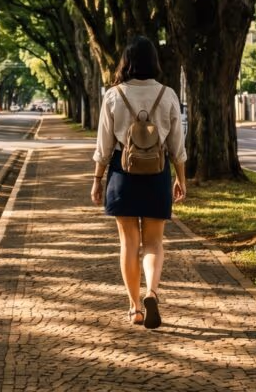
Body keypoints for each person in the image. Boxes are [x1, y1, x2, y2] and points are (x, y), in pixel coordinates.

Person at [89, 35, 187, 329]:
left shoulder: (113, 95)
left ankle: (134, 308)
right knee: (154, 243)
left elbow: (103, 146)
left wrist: (97, 180)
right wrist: (181, 178)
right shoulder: (168, 94)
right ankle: (152, 293)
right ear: (154, 62)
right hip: (157, 173)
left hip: (123, 173)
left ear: (126, 62)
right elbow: (176, 145)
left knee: (128, 242)